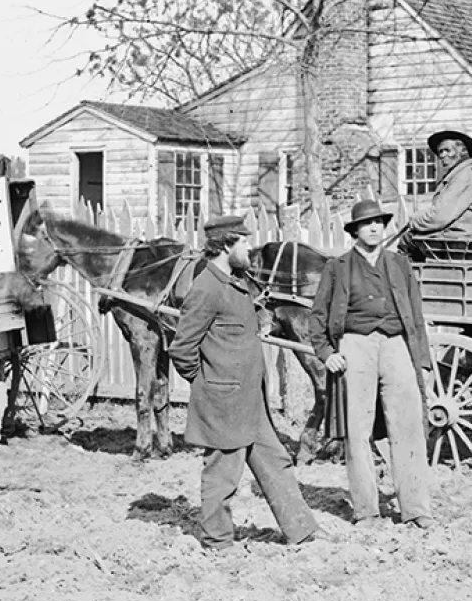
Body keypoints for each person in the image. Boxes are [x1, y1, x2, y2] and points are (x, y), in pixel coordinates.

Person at [168, 215, 331, 550]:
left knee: (275, 461)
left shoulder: (237, 283)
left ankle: (303, 530)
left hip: (250, 398)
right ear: (226, 245)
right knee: (223, 472)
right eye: (242, 241)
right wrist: (209, 385)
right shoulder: (206, 288)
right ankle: (217, 542)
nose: (247, 247)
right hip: (224, 400)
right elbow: (182, 348)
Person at [309, 199, 437, 530]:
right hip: (355, 347)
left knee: (408, 427)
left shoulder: (399, 265)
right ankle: (366, 510)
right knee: (358, 431)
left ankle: (415, 507)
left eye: (379, 222)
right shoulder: (337, 267)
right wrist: (327, 353)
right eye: (367, 224)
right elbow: (317, 318)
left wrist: (421, 360)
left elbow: (417, 318)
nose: (375, 228)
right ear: (355, 230)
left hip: (396, 346)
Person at [408, 129, 472, 237]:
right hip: (451, 235)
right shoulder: (456, 174)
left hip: (458, 240)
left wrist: (413, 221)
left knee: (407, 239)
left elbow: (440, 216)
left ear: (463, 151)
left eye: (447, 150)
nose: (442, 155)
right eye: (440, 152)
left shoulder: (464, 175)